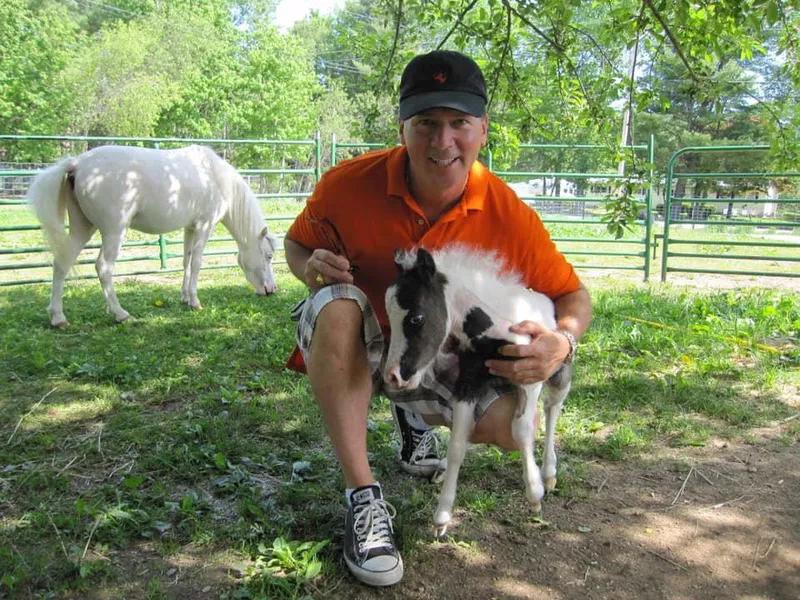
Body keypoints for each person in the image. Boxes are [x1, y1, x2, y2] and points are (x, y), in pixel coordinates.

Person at [283, 50, 592, 587]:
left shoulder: (507, 213)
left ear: (483, 130)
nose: (442, 141)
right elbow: (296, 244)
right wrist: (309, 268)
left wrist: (562, 343)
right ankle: (364, 499)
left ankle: (413, 414)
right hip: (367, 335)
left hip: (442, 351)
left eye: (459, 124)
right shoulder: (347, 184)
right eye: (426, 123)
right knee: (335, 303)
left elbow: (572, 295)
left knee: (515, 428)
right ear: (402, 126)